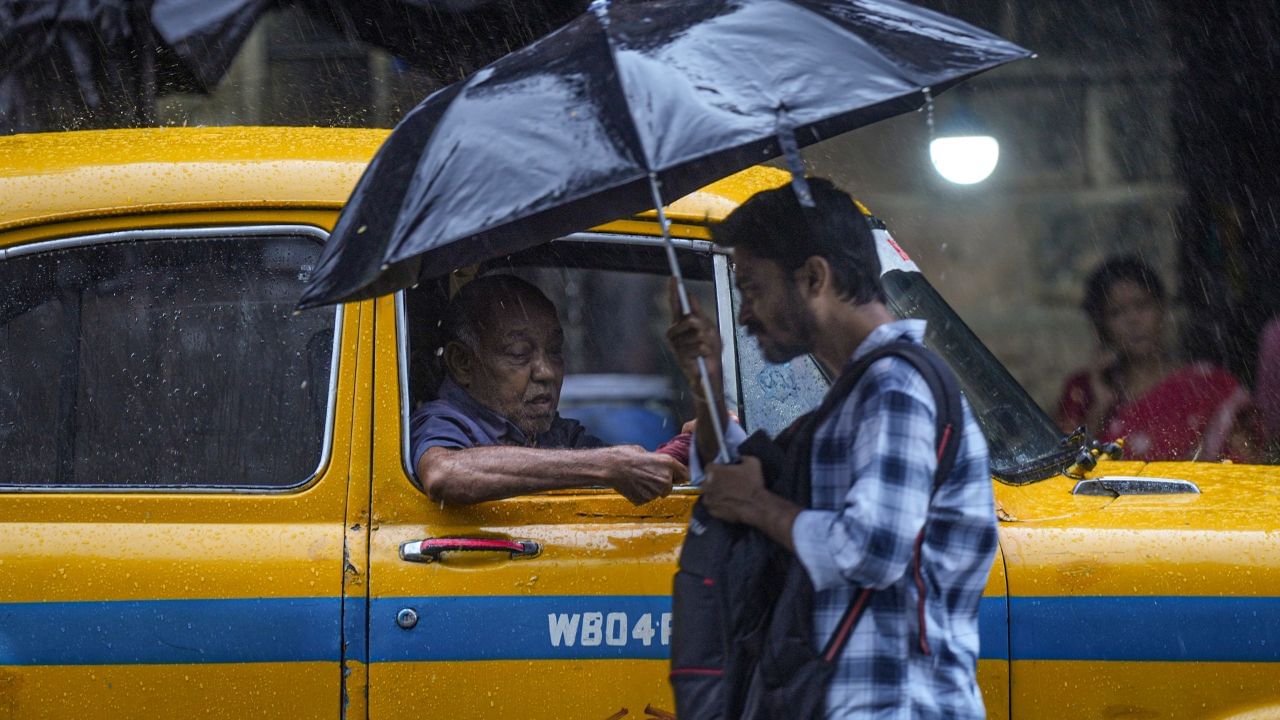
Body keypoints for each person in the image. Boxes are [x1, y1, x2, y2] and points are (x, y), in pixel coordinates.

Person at [666, 179, 995, 718]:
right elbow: (740, 478)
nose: (746, 315)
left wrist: (757, 506)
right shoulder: (856, 398)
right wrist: (705, 381)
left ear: (814, 277)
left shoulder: (897, 388)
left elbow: (871, 548)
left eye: (752, 288)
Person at [411, 275, 688, 505]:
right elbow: (444, 473)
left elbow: (632, 472)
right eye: (519, 353)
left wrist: (694, 440)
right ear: (462, 363)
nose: (547, 372)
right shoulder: (442, 421)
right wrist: (604, 465)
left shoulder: (553, 433)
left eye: (554, 351)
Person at [1055, 256, 1251, 461]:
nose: (1133, 320)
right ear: (1100, 325)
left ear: (1162, 310)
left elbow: (1240, 467)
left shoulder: (1209, 385)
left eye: (1142, 306)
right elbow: (1061, 472)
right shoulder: (1081, 391)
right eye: (1117, 312)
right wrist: (1100, 407)